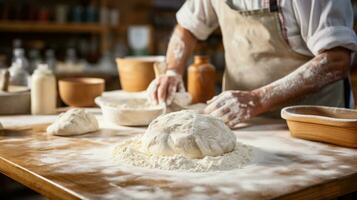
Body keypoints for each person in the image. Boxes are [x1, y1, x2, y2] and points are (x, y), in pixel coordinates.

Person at [148, 0, 357, 128]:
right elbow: (186, 27)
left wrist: (257, 99)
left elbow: (336, 60)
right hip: (242, 122)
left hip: (311, 125)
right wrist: (173, 70)